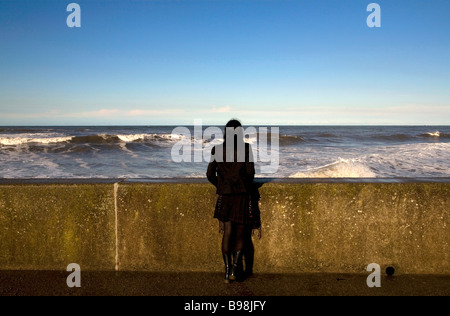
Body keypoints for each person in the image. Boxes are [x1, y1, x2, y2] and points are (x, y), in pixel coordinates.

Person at [206, 119, 261, 283]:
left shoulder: (217, 149)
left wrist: (221, 185)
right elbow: (251, 174)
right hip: (242, 195)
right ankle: (235, 270)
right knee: (241, 234)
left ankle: (227, 271)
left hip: (225, 196)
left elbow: (209, 174)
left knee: (227, 232)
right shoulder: (246, 148)